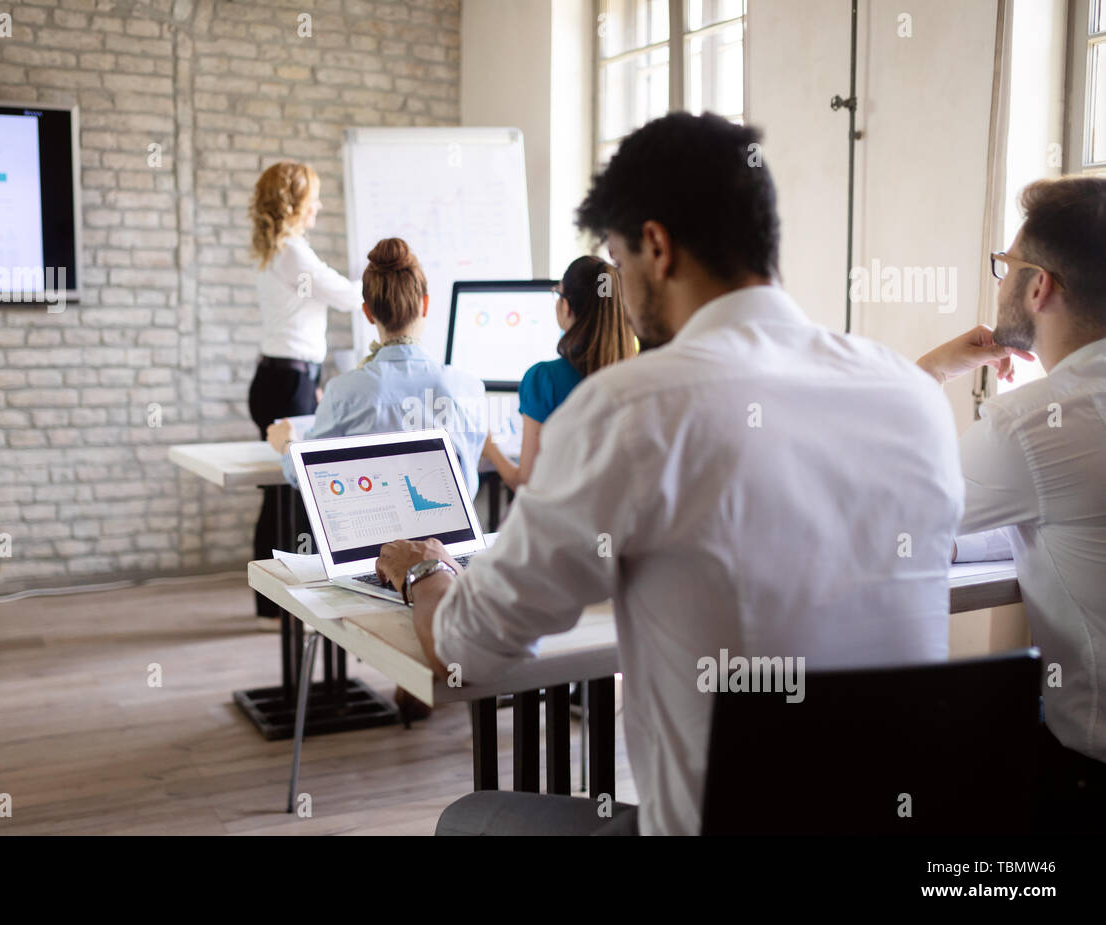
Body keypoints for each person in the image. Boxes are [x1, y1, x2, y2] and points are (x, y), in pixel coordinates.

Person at [371, 112, 965, 836]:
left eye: (617, 263)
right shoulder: (911, 396)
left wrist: (424, 570)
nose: (617, 285)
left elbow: (467, 648)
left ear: (656, 246)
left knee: (468, 816)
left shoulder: (633, 409)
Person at [915, 175, 1106, 832]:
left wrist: (930, 372)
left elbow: (887, 516)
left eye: (1005, 264)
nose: (998, 280)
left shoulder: (1030, 424)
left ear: (1038, 285)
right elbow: (1070, 520)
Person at [266, 237, 487, 497]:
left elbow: (308, 475)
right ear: (425, 304)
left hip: (375, 538)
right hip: (449, 538)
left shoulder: (343, 392)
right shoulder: (470, 389)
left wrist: (287, 445)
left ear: (368, 313)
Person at [248, 162, 361, 623]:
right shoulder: (294, 253)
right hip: (287, 382)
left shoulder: (283, 250)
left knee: (280, 492)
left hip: (285, 379)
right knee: (291, 495)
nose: (320, 204)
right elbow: (349, 297)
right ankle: (284, 606)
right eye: (314, 196)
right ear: (294, 203)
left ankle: (272, 607)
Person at [483, 256, 636, 489]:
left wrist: (489, 447)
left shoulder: (544, 379)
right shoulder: (638, 375)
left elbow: (526, 482)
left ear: (566, 306)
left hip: (566, 521)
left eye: (558, 293)